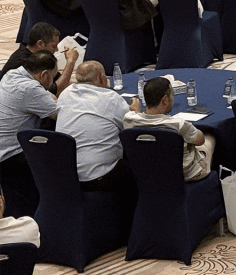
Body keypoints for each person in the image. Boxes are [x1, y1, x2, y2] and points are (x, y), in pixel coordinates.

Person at [56, 61, 140, 191]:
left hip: (67, 174)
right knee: (139, 162)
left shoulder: (65, 94)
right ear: (102, 78)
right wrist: (136, 112)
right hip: (100, 176)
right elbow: (131, 128)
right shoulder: (111, 98)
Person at [0, 51, 60, 217]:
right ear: (44, 75)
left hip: (3, 146)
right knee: (60, 155)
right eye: (53, 76)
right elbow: (60, 114)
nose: (53, 81)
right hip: (11, 156)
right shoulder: (30, 89)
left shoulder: (12, 74)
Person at [123, 77, 215, 181]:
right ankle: (211, 181)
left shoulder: (129, 119)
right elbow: (200, 140)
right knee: (209, 138)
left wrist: (136, 111)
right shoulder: (178, 124)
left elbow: (136, 117)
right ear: (165, 100)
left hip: (148, 172)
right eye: (172, 95)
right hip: (184, 175)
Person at [1, 22, 78, 95]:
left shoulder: (38, 56)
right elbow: (54, 91)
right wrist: (71, 62)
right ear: (40, 44)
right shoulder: (23, 62)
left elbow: (58, 79)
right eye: (54, 46)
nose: (57, 50)